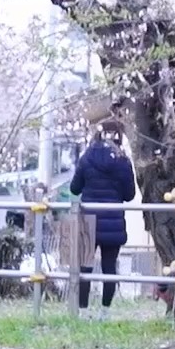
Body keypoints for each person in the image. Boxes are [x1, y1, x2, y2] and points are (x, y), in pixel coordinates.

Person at [68, 118, 137, 312]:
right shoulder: (123, 160)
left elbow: (75, 188)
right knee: (109, 268)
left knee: (85, 268)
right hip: (113, 220)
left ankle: (83, 310)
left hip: (88, 219)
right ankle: (105, 311)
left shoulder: (87, 156)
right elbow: (130, 195)